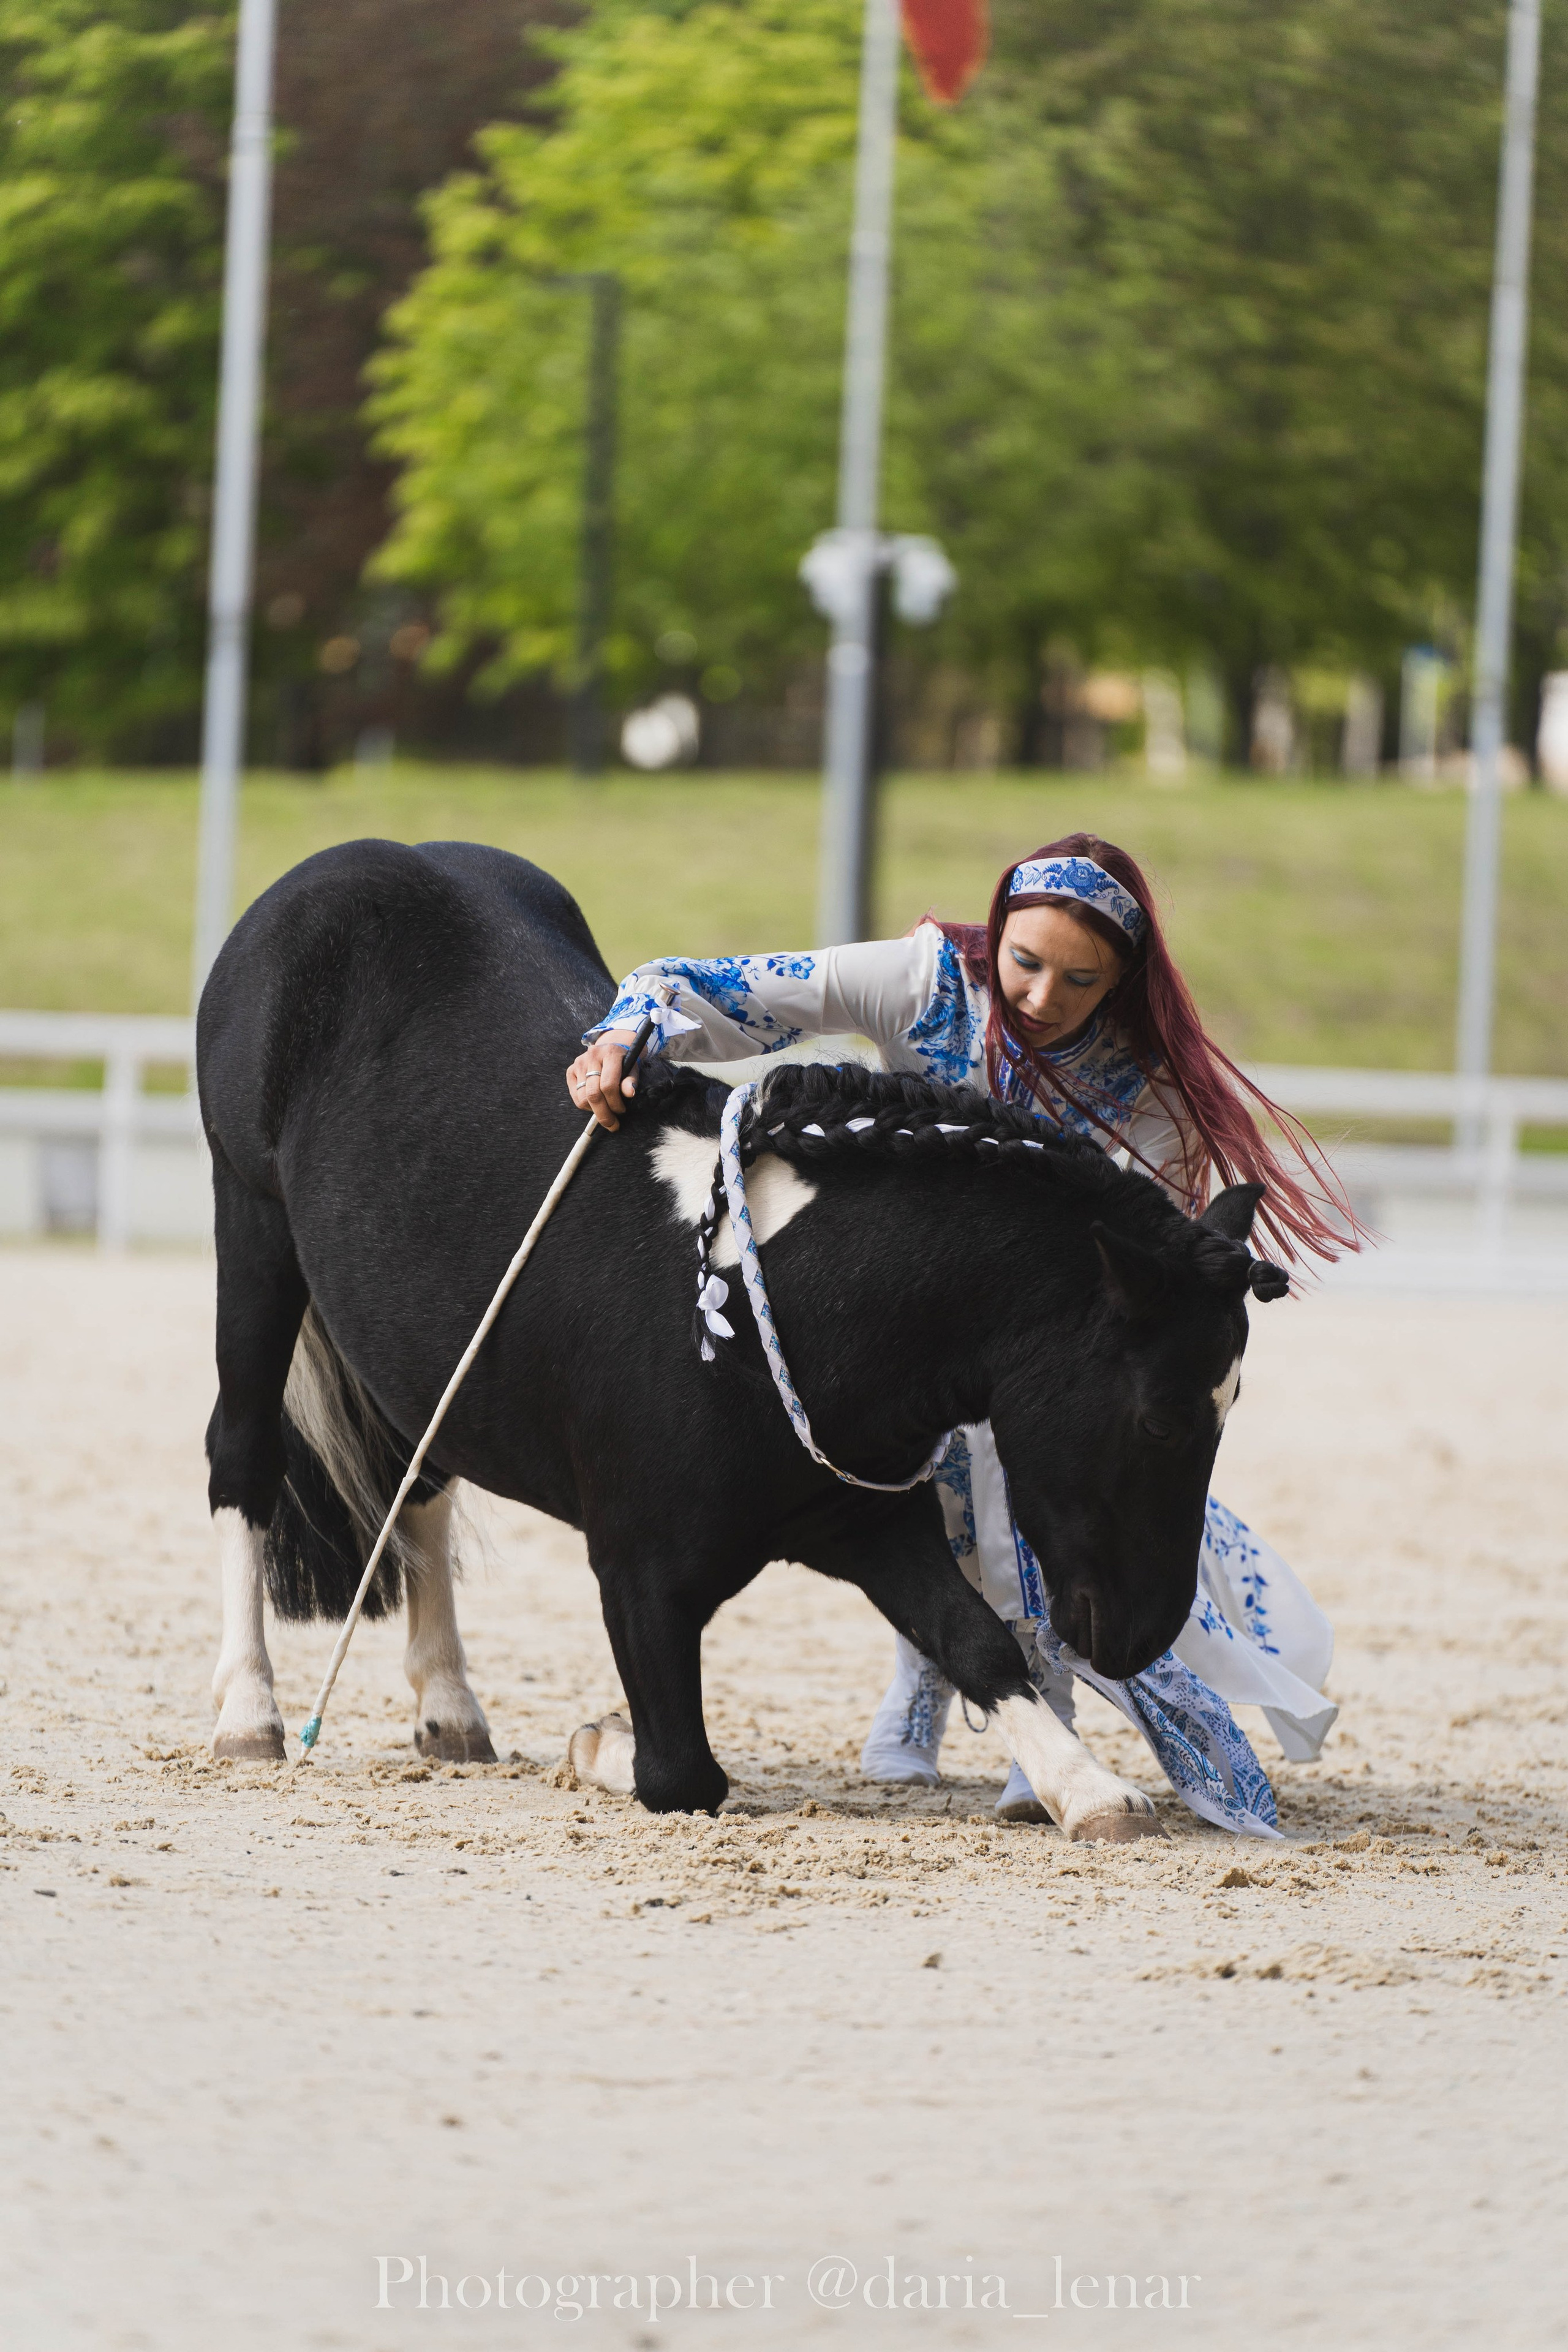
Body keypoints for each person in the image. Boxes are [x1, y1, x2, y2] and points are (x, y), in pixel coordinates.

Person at [565, 834, 1349, 1833]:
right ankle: (930, 1682)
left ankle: (1039, 1707)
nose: (1040, 996)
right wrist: (629, 1035)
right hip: (906, 1302)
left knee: (1049, 1464)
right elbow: (695, 985)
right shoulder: (930, 980)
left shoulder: (1153, 1097)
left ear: (1122, 982)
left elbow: (1144, 1281)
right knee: (909, 1453)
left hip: (1047, 1329)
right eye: (1024, 962)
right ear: (996, 939)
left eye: (1080, 979)